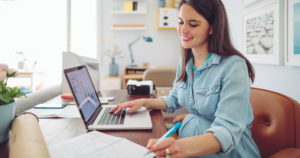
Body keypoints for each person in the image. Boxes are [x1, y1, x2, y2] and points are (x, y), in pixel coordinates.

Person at [109, 0, 261, 157]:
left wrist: (181, 147)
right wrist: (143, 102)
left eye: (193, 24)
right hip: (188, 145)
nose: (183, 30)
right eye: (180, 22)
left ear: (212, 27)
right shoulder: (186, 63)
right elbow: (174, 99)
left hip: (224, 151)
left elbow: (227, 130)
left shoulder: (233, 66)